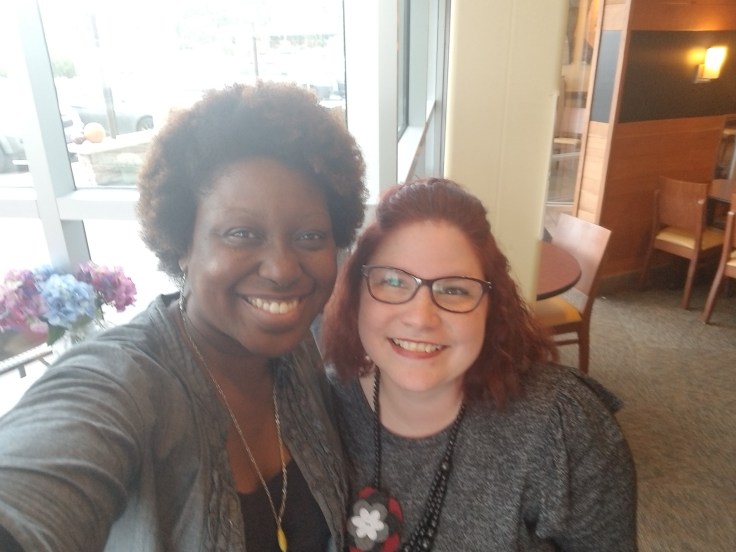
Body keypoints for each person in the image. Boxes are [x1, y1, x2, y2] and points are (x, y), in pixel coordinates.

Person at [0, 82, 367, 552]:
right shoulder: (123, 382)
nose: (282, 270)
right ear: (182, 244)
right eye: (241, 233)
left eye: (310, 236)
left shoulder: (303, 348)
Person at [321, 178, 637, 551]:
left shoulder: (561, 426)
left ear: (492, 306)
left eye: (454, 289)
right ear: (357, 294)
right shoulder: (321, 404)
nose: (420, 317)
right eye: (393, 281)